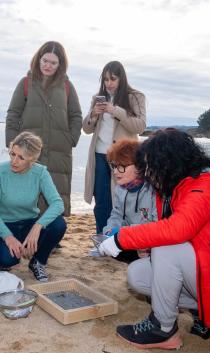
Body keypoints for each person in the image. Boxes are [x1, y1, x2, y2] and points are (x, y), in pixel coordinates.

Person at [98, 129, 210, 350]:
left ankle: (163, 329)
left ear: (167, 162)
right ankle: (198, 311)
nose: (148, 174)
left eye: (150, 167)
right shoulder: (176, 188)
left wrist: (120, 239)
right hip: (208, 273)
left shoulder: (204, 186)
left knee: (168, 247)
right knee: (138, 275)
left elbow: (177, 230)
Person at [5, 41, 83, 216]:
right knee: (27, 194)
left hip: (59, 151)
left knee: (55, 194)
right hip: (28, 151)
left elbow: (76, 115)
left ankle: (52, 238)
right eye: (45, 60)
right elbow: (13, 115)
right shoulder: (25, 83)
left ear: (60, 64)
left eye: (53, 63)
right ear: (38, 59)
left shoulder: (67, 87)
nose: (48, 65)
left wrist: (71, 139)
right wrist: (13, 145)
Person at [0, 132, 67, 282]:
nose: (14, 161)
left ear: (32, 159)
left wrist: (37, 227)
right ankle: (1, 262)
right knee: (8, 260)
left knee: (58, 224)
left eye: (21, 157)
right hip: (4, 226)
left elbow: (58, 203)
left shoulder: (40, 172)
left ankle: (38, 262)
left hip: (29, 223)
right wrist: (8, 237)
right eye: (12, 154)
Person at [83, 61, 146, 233]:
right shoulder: (97, 98)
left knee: (122, 199)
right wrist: (94, 114)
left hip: (123, 158)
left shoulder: (135, 97)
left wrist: (115, 110)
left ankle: (120, 239)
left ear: (121, 78)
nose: (108, 83)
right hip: (99, 155)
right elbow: (86, 129)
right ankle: (101, 238)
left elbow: (140, 126)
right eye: (105, 80)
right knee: (102, 201)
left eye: (113, 79)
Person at [99, 138, 156, 263]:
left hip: (150, 242)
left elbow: (156, 225)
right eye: (113, 166)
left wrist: (124, 233)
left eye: (121, 166)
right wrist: (109, 231)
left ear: (139, 166)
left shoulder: (153, 190)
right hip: (130, 240)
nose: (115, 171)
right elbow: (116, 214)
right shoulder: (121, 188)